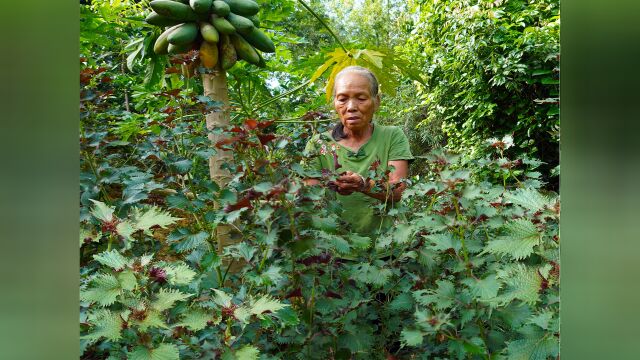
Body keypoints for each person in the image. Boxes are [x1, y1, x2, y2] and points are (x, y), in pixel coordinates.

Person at [303, 66, 414, 234]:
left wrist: (363, 184)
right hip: (336, 249)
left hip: (390, 248)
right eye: (342, 99)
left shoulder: (392, 136)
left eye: (361, 98)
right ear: (335, 103)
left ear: (376, 101)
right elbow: (310, 199)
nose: (351, 107)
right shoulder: (318, 144)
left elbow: (397, 190)